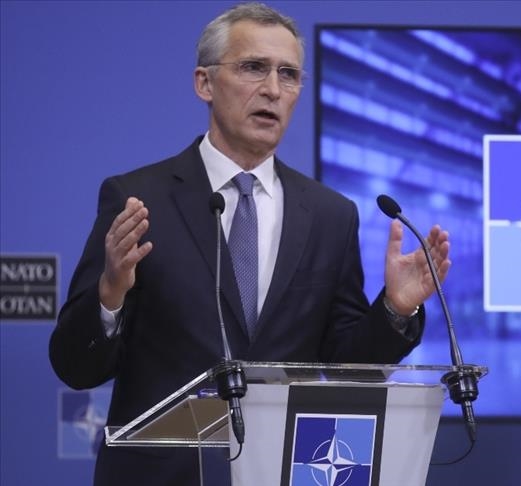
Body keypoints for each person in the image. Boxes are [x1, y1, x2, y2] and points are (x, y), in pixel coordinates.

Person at [48, 3, 451, 485]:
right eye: (254, 67)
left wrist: (394, 310)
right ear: (205, 83)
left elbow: (349, 366)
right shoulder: (138, 200)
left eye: (289, 74)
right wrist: (110, 295)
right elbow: (75, 366)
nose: (273, 90)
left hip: (284, 471)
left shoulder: (331, 215)